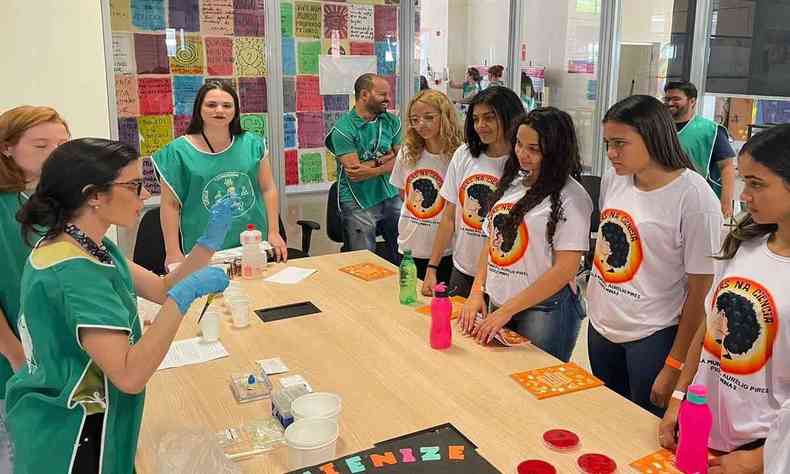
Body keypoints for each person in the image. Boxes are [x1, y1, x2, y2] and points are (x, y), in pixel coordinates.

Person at [6, 138, 232, 474]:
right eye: (134, 186)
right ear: (94, 195)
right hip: (75, 435)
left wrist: (207, 244)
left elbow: (161, 287)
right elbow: (129, 374)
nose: (144, 196)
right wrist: (181, 301)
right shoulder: (75, 272)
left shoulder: (81, 244)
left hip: (66, 414)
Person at [657, 125, 790, 473]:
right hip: (704, 426)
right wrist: (679, 399)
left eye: (758, 184)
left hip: (761, 447)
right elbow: (709, 328)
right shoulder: (744, 245)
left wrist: (757, 460)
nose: (744, 195)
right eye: (745, 181)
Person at [586, 95, 723, 417]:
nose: (611, 154)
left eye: (620, 143)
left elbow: (700, 292)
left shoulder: (694, 197)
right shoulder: (614, 179)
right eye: (607, 143)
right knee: (607, 421)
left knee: (644, 433)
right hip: (602, 326)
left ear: (652, 136)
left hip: (652, 336)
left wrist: (675, 365)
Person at [460, 108, 592, 361]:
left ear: (555, 150)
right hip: (500, 303)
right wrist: (477, 291)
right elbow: (491, 246)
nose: (522, 154)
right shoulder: (513, 183)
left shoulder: (572, 198)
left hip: (544, 311)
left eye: (534, 149)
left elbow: (565, 270)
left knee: (532, 388)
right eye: (519, 144)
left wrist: (506, 311)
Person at [0, 105, 70, 473]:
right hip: (13, 356)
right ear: (6, 148)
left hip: (48, 348)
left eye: (62, 145)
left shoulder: (42, 199)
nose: (55, 155)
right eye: (41, 145)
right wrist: (14, 354)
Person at [153, 80, 287, 268]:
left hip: (252, 244)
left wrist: (273, 231)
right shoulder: (177, 152)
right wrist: (173, 252)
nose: (219, 110)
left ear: (235, 110)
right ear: (199, 108)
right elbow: (170, 205)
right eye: (211, 105)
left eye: (227, 105)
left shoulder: (253, 144)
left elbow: (268, 188)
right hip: (203, 250)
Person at [423, 86, 525, 297]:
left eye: (489, 118)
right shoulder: (465, 155)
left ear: (511, 117)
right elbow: (449, 217)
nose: (481, 126)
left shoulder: (525, 162)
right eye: (476, 119)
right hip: (464, 268)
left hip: (506, 275)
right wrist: (432, 267)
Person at [325, 73, 402, 264]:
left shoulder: (392, 122)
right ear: (365, 95)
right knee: (364, 262)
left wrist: (375, 168)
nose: (388, 99)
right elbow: (355, 172)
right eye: (382, 94)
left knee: (403, 253)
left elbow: (403, 161)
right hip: (358, 200)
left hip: (390, 194)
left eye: (388, 94)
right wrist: (386, 159)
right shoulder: (343, 129)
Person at [389, 90, 464, 284]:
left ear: (445, 116)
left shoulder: (460, 155)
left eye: (429, 117)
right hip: (409, 244)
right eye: (415, 119)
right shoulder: (407, 151)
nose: (421, 124)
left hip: (445, 250)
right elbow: (402, 193)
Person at [664, 81, 736, 218]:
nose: (670, 103)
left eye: (676, 99)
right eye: (667, 99)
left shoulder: (711, 131)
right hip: (665, 199)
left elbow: (727, 167)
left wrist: (726, 202)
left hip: (700, 202)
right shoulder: (658, 128)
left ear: (692, 101)